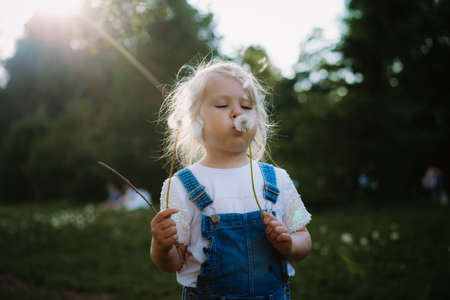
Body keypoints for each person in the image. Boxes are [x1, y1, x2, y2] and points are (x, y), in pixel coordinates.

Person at [150, 60, 312, 300]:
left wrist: (289, 243)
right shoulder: (182, 186)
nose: (237, 112)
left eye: (246, 106)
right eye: (222, 105)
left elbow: (303, 238)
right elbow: (174, 261)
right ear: (196, 120)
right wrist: (161, 246)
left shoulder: (277, 179)